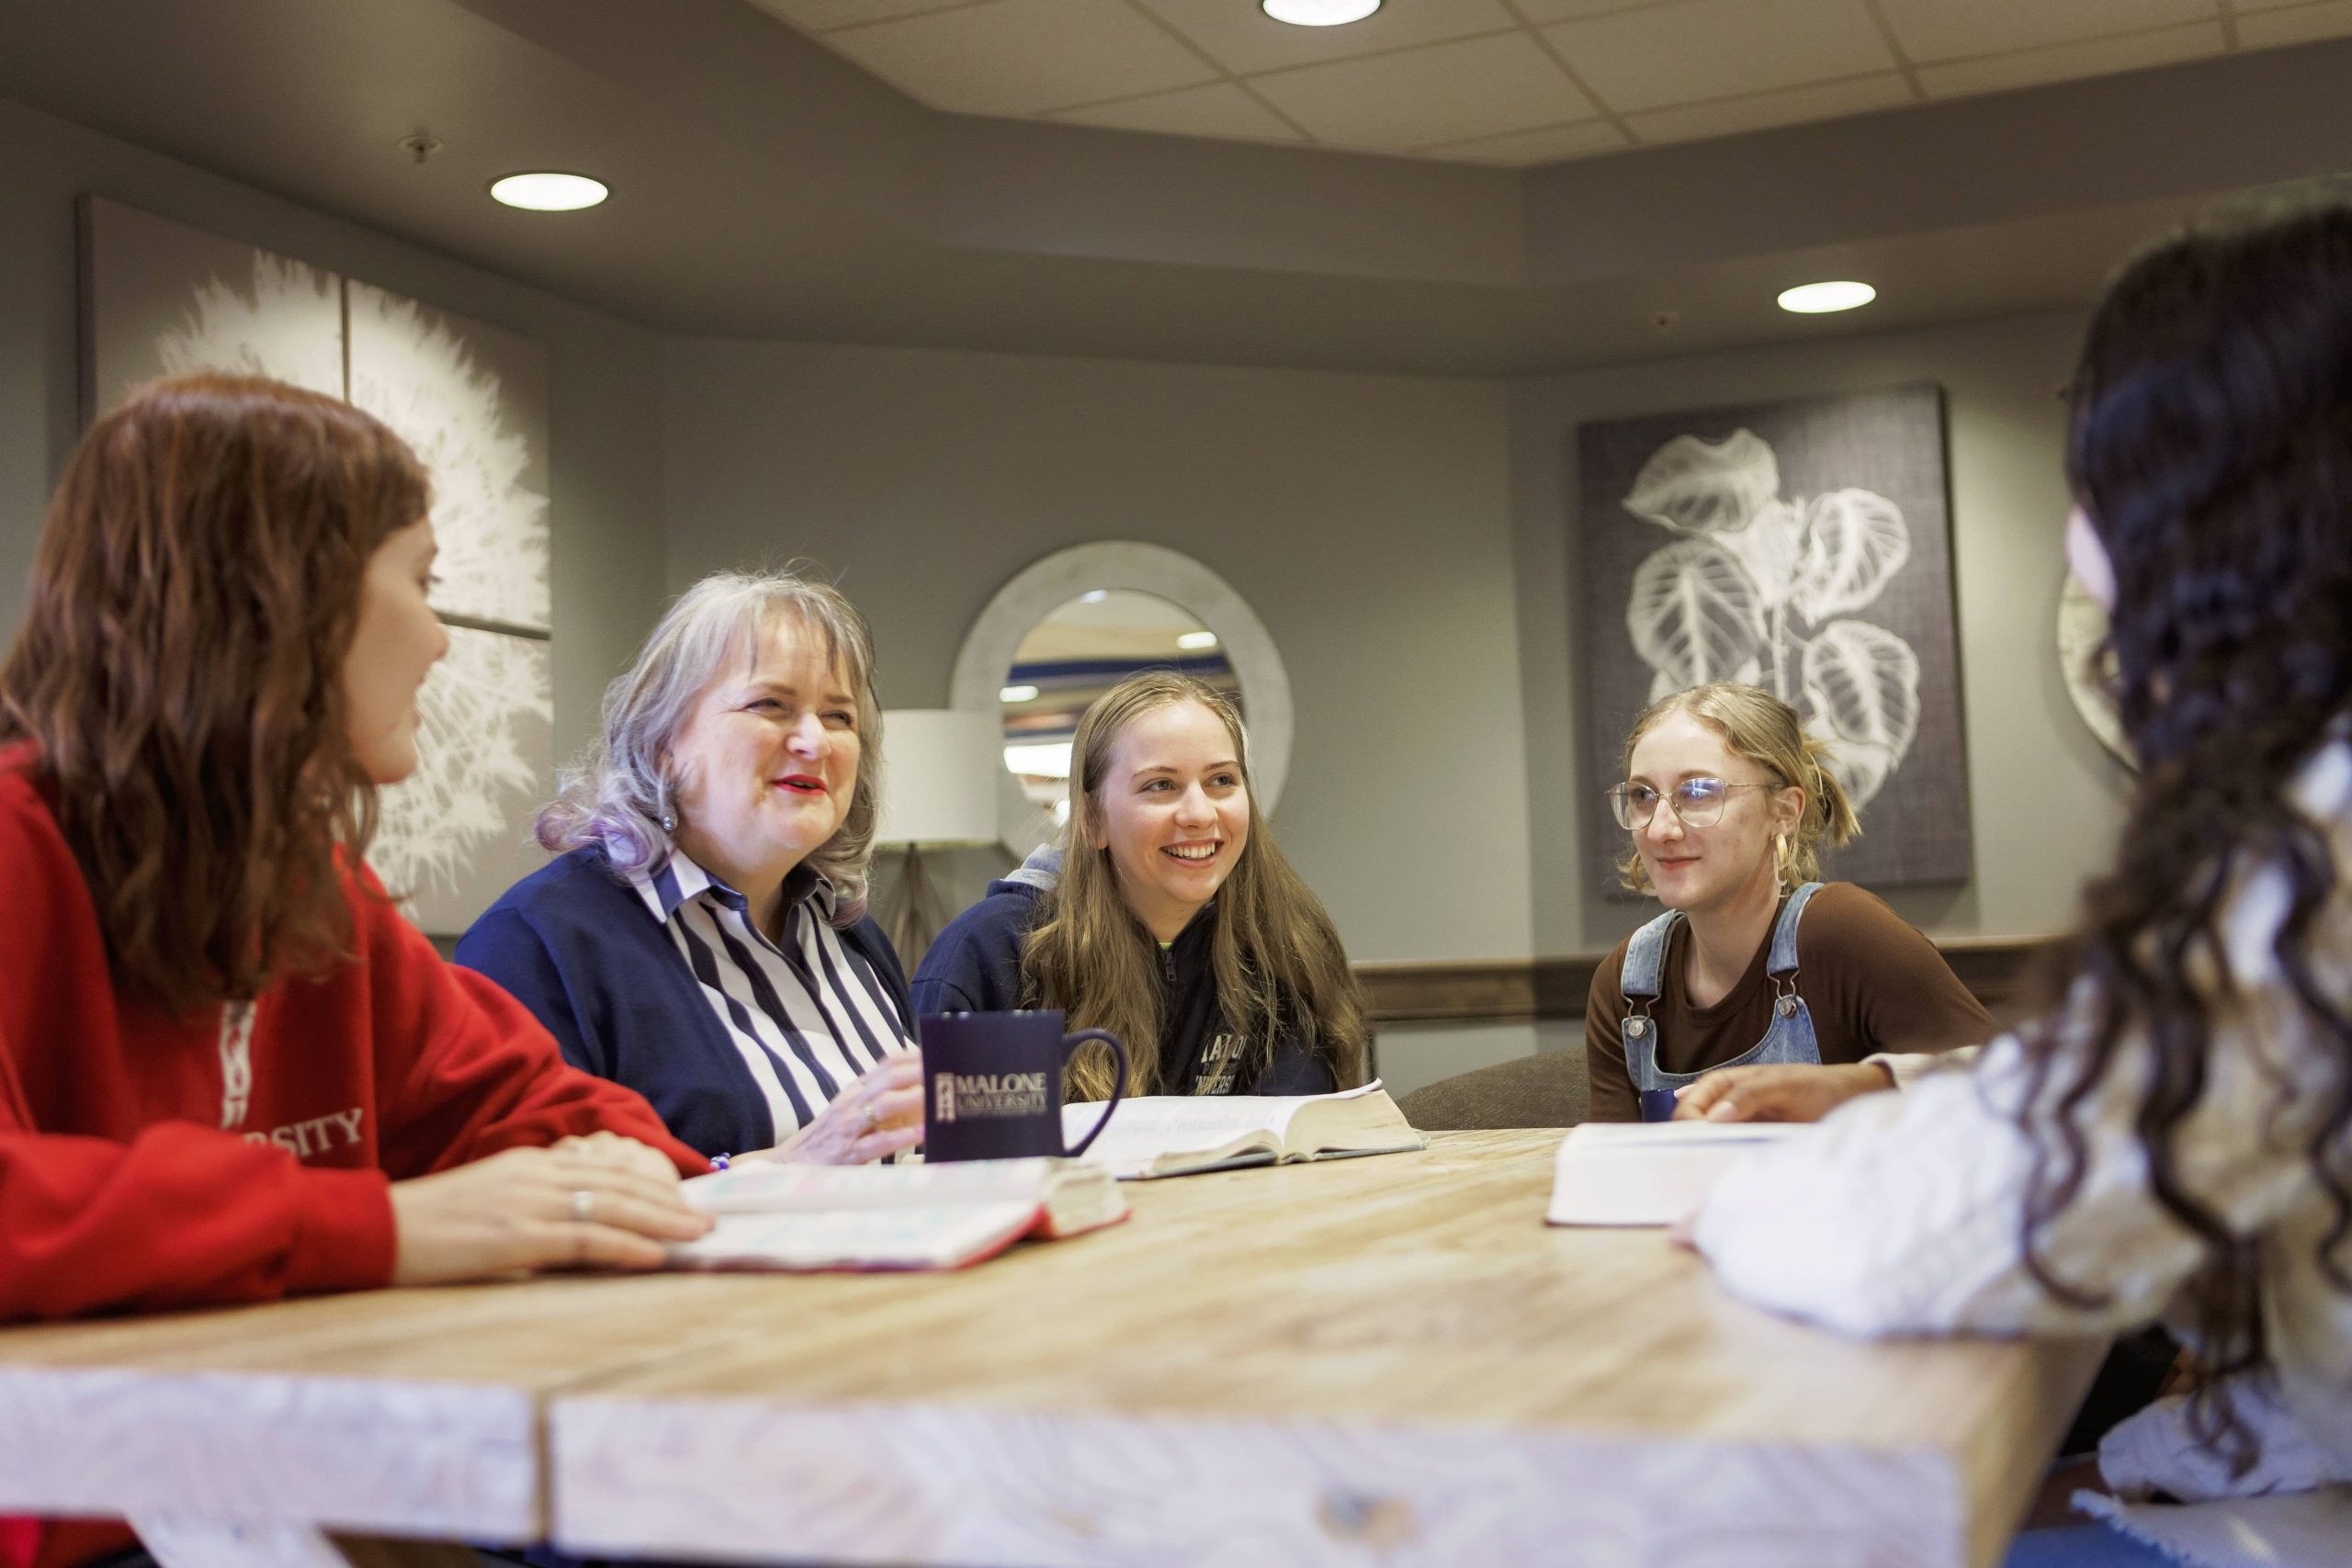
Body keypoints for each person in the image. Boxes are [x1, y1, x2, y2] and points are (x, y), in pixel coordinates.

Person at [1693, 203, 2352, 1567]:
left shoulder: (2316, 844)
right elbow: (2176, 1090)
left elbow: (1968, 1217)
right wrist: (1895, 1087)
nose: (2075, 534)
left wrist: (1724, 1192)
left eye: (2093, 473)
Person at [0, 375, 711, 1568]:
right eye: (422, 582)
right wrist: (375, 1225)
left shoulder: (314, 884)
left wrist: (615, 1172)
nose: (440, 638)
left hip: (290, 1485)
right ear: (285, 597)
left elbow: (536, 1107)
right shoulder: (20, 847)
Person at [457, 570, 922, 1164]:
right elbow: (534, 1207)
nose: (815, 740)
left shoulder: (849, 932)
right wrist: (784, 1169)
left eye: (839, 716)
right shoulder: (538, 942)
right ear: (662, 742)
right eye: (771, 705)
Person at [913, 671, 1366, 1100]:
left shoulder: (1282, 944)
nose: (1199, 813)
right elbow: (932, 1157)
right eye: (1161, 785)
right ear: (1092, 819)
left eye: (1221, 781)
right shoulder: (991, 951)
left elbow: (1297, 1140)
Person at [1582, 682, 1989, 1122]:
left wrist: (1861, 1088)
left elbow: (2009, 1086)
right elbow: (1616, 1174)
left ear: (1784, 812)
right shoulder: (1626, 986)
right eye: (1643, 796)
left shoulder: (1842, 931)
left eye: (1698, 792)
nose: (1661, 829)